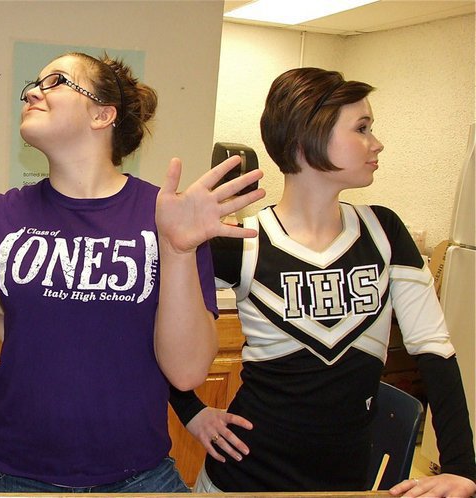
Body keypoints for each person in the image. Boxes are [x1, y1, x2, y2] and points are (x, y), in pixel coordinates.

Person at [0, 52, 264, 493]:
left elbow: (186, 374)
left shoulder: (167, 217)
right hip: (12, 470)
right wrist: (1, 321)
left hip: (137, 475)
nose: (31, 92)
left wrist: (180, 250)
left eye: (56, 82)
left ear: (103, 114)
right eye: (34, 83)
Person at [170, 67, 476, 498]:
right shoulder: (243, 242)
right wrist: (191, 412)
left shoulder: (384, 231)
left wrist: (463, 466)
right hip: (239, 480)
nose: (377, 143)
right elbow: (146, 326)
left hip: (345, 482)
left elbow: (435, 349)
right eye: (362, 128)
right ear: (306, 138)